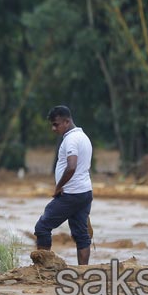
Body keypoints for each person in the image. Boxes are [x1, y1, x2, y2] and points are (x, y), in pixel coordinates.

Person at [34, 105, 93, 265]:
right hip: (85, 192)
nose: (53, 128)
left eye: (56, 124)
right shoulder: (83, 137)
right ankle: (83, 272)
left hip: (71, 194)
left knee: (42, 227)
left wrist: (59, 186)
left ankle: (43, 270)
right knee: (81, 234)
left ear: (67, 121)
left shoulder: (71, 139)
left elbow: (72, 166)